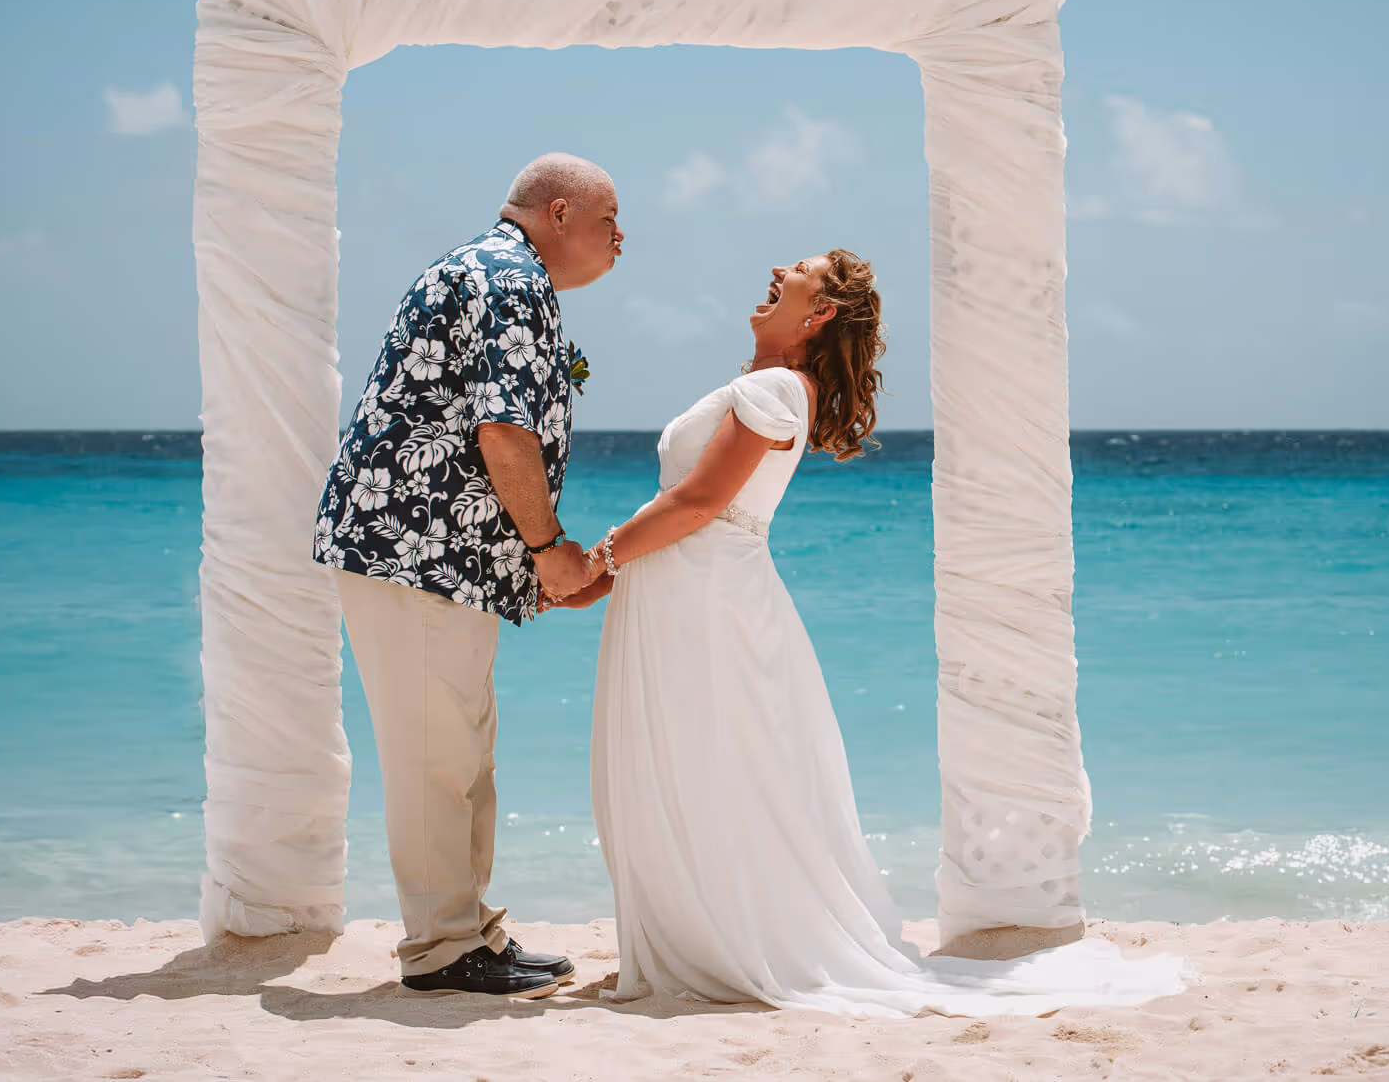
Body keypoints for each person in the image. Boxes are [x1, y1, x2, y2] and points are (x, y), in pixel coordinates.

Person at [552, 249, 1187, 1017]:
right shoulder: (773, 384)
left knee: (713, 763)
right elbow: (694, 506)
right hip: (688, 591)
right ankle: (704, 930)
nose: (780, 266)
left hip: (708, 599)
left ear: (817, 313)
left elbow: (699, 500)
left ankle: (731, 937)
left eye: (801, 269)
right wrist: (611, 572)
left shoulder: (777, 386)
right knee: (696, 763)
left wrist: (597, 559)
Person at [313, 153, 622, 999]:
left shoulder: (496, 272)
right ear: (558, 212)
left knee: (459, 752)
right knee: (435, 757)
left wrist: (527, 562)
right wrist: (551, 547)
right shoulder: (507, 278)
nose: (620, 237)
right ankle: (444, 948)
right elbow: (502, 430)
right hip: (417, 549)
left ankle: (466, 932)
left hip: (433, 554)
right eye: (609, 220)